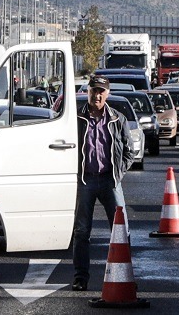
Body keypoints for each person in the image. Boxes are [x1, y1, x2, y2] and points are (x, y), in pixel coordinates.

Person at [72, 75, 135, 291]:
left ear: (107, 94)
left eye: (101, 91)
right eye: (94, 90)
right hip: (85, 180)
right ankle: (81, 277)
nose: (97, 95)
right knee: (81, 232)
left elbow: (129, 150)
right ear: (87, 91)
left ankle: (125, 276)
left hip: (110, 180)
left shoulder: (118, 119)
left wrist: (118, 172)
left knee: (121, 230)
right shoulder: (76, 118)